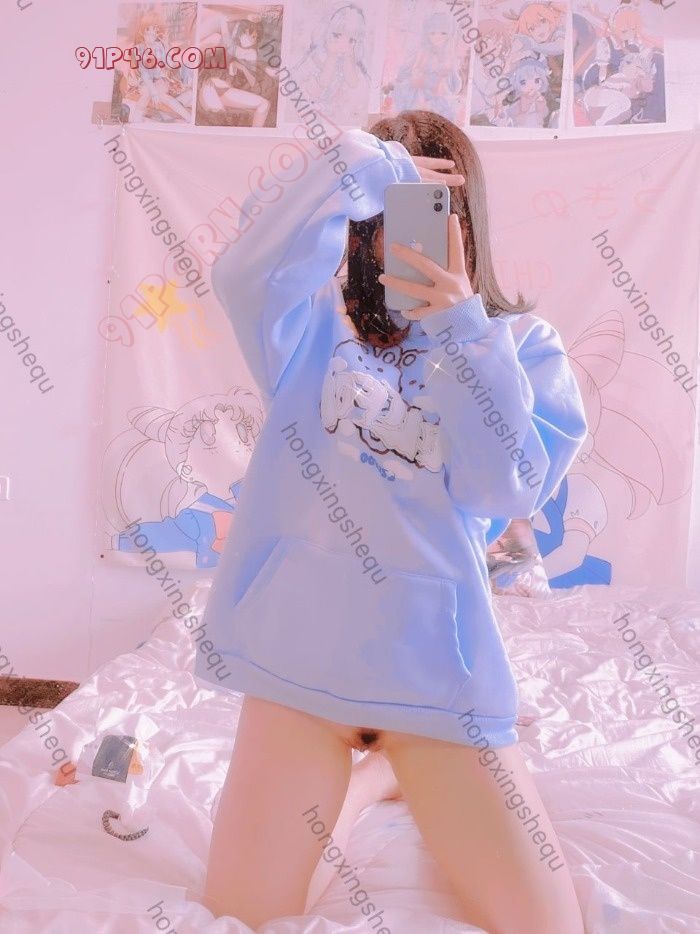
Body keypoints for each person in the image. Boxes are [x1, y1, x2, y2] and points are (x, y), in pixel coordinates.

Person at [191, 109, 587, 933]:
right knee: (243, 915)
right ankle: (369, 781)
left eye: (426, 203)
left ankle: (387, 771)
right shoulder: (307, 329)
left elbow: (505, 487)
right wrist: (357, 163)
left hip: (434, 682)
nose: (399, 228)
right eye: (386, 203)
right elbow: (241, 275)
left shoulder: (521, 345)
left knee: (548, 926)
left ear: (463, 216)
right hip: (299, 671)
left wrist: (460, 328)